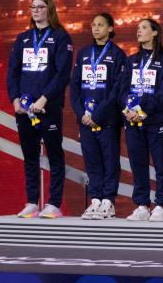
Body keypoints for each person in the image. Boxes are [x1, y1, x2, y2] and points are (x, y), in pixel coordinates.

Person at [5, 0, 73, 219]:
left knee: (54, 155)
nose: (35, 10)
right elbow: (13, 72)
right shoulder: (23, 38)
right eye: (32, 7)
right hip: (24, 108)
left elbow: (62, 74)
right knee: (30, 156)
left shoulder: (61, 37)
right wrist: (15, 99)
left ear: (49, 9)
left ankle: (54, 203)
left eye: (40, 7)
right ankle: (32, 202)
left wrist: (44, 98)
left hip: (48, 107)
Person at [117, 18, 163, 222]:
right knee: (138, 164)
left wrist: (144, 110)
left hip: (155, 121)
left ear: (155, 33)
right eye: (137, 28)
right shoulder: (131, 61)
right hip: (133, 121)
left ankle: (161, 205)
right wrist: (128, 109)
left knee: (162, 165)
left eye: (143, 28)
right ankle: (142, 204)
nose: (139, 31)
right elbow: (122, 90)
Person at [70, 12, 127, 220]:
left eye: (101, 25)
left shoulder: (118, 55)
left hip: (107, 119)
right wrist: (81, 114)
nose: (95, 28)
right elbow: (75, 87)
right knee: (92, 160)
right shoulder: (84, 54)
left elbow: (117, 90)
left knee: (110, 161)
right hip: (86, 120)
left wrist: (98, 113)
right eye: (93, 25)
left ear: (110, 29)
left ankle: (108, 202)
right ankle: (95, 200)